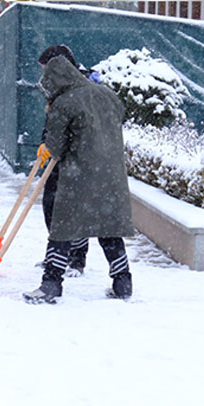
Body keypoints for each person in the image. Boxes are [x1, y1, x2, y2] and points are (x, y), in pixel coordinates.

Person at [23, 55, 134, 304]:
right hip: (111, 173)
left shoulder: (64, 102)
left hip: (78, 175)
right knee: (109, 228)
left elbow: (57, 146)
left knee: (63, 228)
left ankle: (51, 284)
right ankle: (123, 282)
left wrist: (47, 148)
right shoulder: (107, 94)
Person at [35, 45, 103, 277]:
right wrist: (46, 142)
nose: (44, 73)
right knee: (51, 205)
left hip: (79, 157)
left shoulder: (86, 86)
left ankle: (77, 259)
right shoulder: (57, 85)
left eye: (46, 67)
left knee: (75, 208)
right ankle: (56, 256)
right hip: (58, 155)